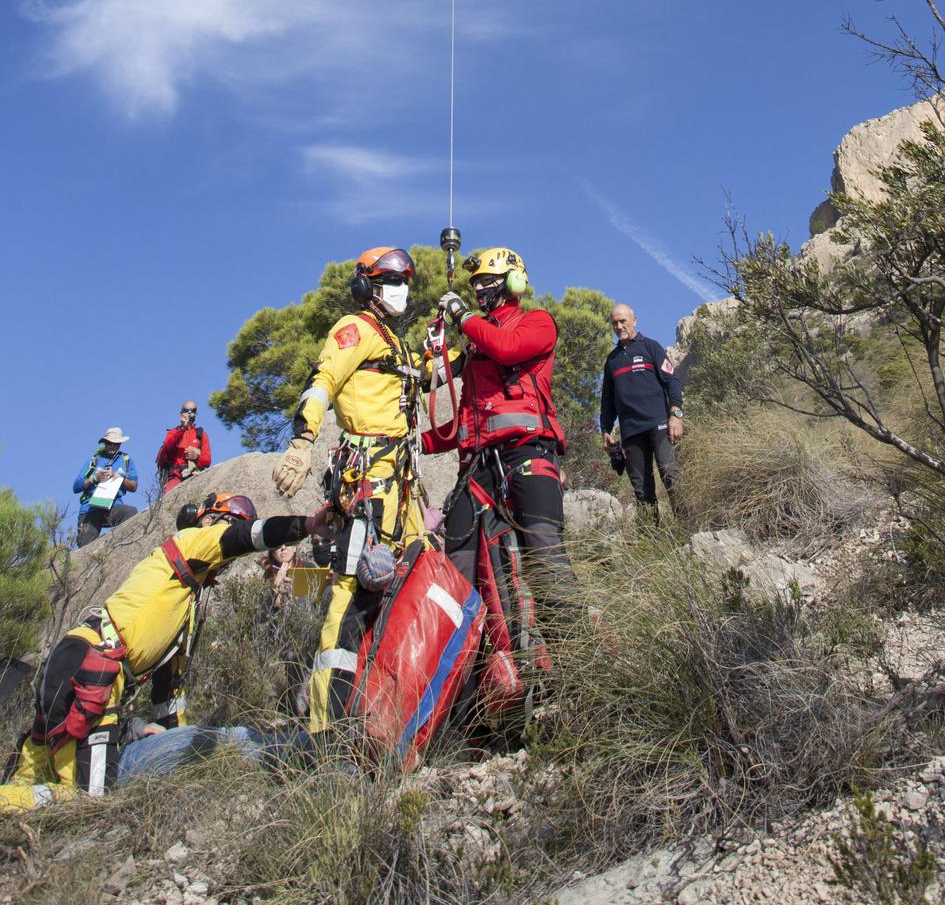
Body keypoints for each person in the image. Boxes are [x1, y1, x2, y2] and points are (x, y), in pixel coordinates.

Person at [0, 491, 394, 871]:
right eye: (227, 517)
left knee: (37, 775)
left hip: (83, 670)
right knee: (87, 798)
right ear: (209, 519)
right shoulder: (186, 546)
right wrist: (304, 526)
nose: (229, 528)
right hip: (90, 670)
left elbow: (169, 693)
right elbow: (242, 539)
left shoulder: (183, 603)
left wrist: (172, 731)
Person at [271, 244, 427, 733]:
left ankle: (387, 706)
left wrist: (458, 339)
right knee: (351, 590)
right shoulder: (354, 329)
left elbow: (427, 374)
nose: (400, 291)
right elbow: (323, 382)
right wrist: (302, 442)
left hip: (401, 486)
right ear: (367, 287)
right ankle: (325, 728)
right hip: (367, 483)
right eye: (389, 282)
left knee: (410, 574)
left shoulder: (395, 344)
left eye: (404, 282)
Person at [428, 246, 576, 614]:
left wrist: (461, 315)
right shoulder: (478, 346)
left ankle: (575, 652)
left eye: (488, 282)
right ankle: (470, 666)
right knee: (456, 570)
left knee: (545, 557)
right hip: (476, 471)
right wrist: (414, 442)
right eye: (475, 284)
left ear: (512, 282)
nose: (479, 290)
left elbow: (507, 349)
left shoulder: (537, 322)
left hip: (528, 455)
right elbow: (463, 423)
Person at [600, 303, 684, 517]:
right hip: (631, 433)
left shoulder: (651, 347)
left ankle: (688, 531)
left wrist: (676, 415)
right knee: (642, 490)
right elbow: (607, 402)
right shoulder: (612, 361)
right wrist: (606, 431)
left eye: (623, 321)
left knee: (671, 474)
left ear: (634, 320)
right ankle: (651, 542)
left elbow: (672, 381)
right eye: (615, 323)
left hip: (660, 425)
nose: (619, 326)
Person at [73, 428, 140, 547]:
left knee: (131, 512)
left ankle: (119, 547)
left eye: (116, 444)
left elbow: (134, 486)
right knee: (85, 545)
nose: (113, 446)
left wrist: (120, 479)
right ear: (104, 443)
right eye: (110, 443)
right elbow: (76, 486)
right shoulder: (94, 460)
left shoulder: (125, 460)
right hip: (90, 508)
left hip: (113, 506)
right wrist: (94, 478)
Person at [156, 401, 212, 492]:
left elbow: (207, 461)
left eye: (193, 410)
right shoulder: (173, 432)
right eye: (186, 410)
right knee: (171, 496)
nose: (189, 413)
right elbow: (166, 451)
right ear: (181, 413)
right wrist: (182, 429)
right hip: (175, 476)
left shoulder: (201, 435)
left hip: (195, 474)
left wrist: (197, 456)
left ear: (196, 413)